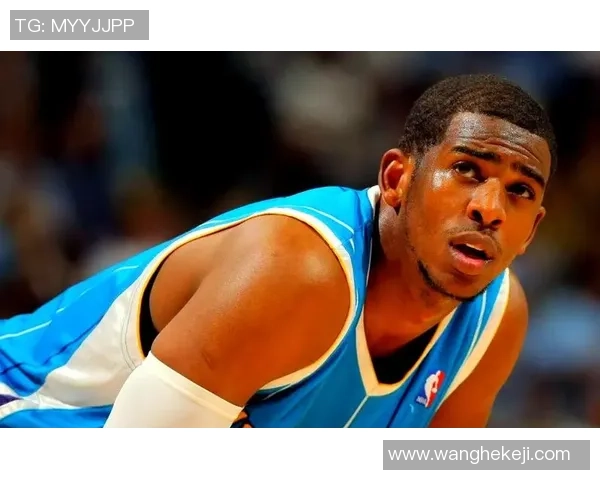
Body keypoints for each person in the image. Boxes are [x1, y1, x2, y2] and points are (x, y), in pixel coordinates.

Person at [0, 74, 557, 428]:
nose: (490, 208)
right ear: (396, 179)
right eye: (466, 171)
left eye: (520, 191)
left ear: (531, 231)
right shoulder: (300, 269)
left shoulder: (496, 321)